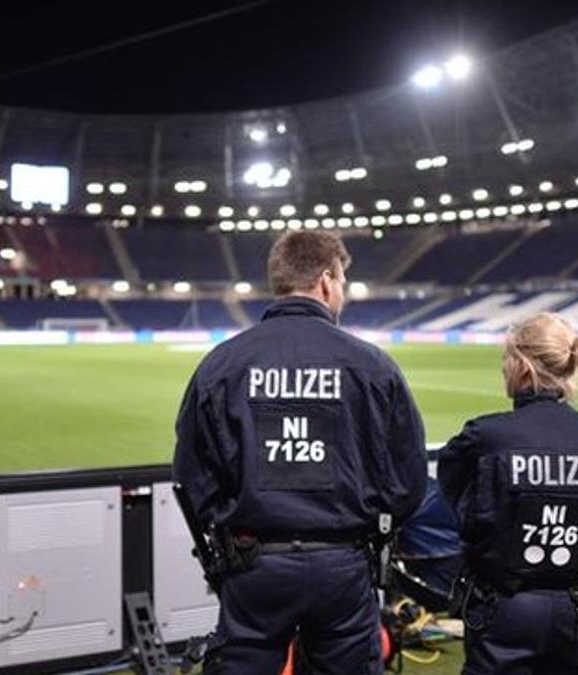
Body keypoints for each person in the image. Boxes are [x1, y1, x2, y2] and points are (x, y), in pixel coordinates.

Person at [173, 230, 427, 675]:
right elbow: (407, 478)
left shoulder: (222, 364)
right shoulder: (372, 365)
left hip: (253, 562)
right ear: (327, 280)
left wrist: (230, 529)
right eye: (343, 280)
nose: (343, 291)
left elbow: (191, 474)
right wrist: (371, 524)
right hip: (344, 564)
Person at [437, 312, 578, 675]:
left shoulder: (485, 437)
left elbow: (456, 504)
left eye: (506, 361)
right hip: (575, 606)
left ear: (523, 367)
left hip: (502, 609)